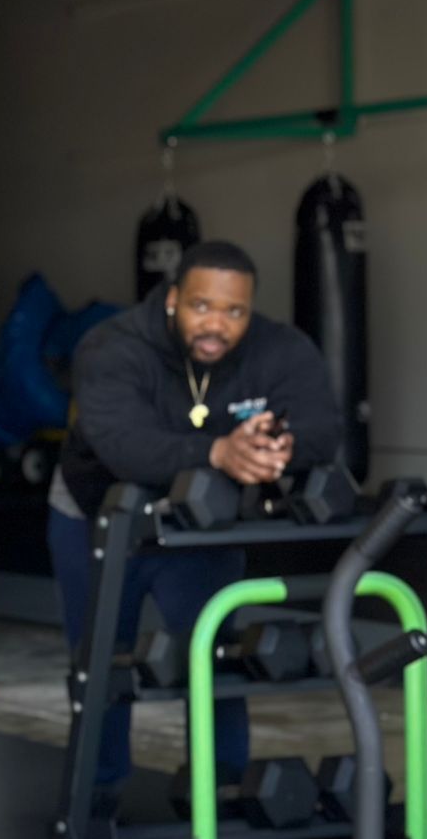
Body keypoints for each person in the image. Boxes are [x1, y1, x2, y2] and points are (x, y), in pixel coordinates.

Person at [50, 240, 343, 802]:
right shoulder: (112, 346)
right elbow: (126, 448)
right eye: (201, 307)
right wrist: (218, 453)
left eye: (234, 311)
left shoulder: (279, 350)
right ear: (172, 299)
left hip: (201, 528)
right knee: (103, 662)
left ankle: (223, 792)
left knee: (216, 658)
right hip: (97, 513)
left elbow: (322, 429)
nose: (217, 325)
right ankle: (97, 798)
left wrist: (276, 446)